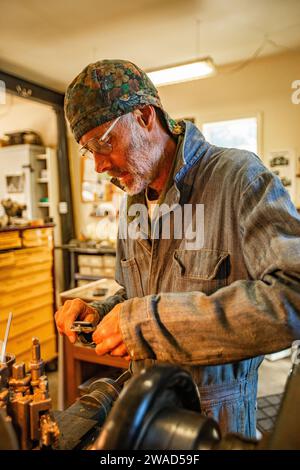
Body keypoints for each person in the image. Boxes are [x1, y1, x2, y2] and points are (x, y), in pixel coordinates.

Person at [56, 59, 300, 438]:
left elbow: (293, 295)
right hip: (145, 412)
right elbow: (135, 294)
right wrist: (102, 312)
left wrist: (147, 323)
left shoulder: (238, 177)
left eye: (105, 143)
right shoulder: (135, 198)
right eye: (90, 151)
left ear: (144, 116)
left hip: (216, 419)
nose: (100, 166)